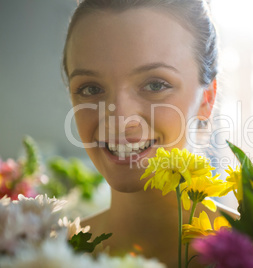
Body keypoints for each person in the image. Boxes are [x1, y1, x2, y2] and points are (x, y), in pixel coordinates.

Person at [62, 0, 236, 267]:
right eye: (90, 89)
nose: (119, 120)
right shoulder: (47, 253)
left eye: (155, 84)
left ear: (207, 100)